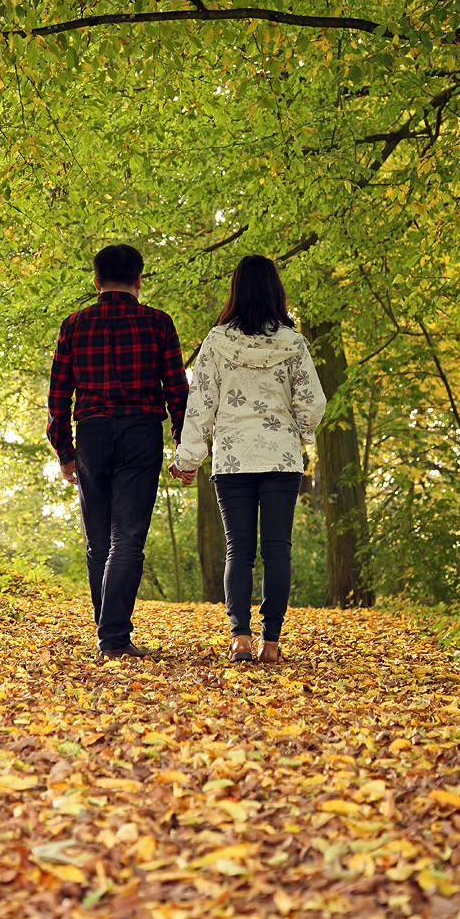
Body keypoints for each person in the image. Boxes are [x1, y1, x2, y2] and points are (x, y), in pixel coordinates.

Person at [173, 255, 326, 663]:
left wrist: (187, 460)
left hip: (233, 458)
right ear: (276, 291)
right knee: (278, 549)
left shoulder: (216, 342)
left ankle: (240, 637)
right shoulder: (293, 343)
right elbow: (313, 403)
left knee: (237, 549)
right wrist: (300, 430)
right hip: (281, 458)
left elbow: (200, 406)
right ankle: (270, 642)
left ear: (235, 290)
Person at [47, 244, 189, 661]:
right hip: (140, 433)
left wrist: (65, 451)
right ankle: (112, 638)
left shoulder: (73, 325)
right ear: (139, 280)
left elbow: (58, 397)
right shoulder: (158, 323)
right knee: (126, 537)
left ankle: (108, 632)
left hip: (91, 434)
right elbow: (177, 391)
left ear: (96, 281)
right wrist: (183, 441)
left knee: (98, 540)